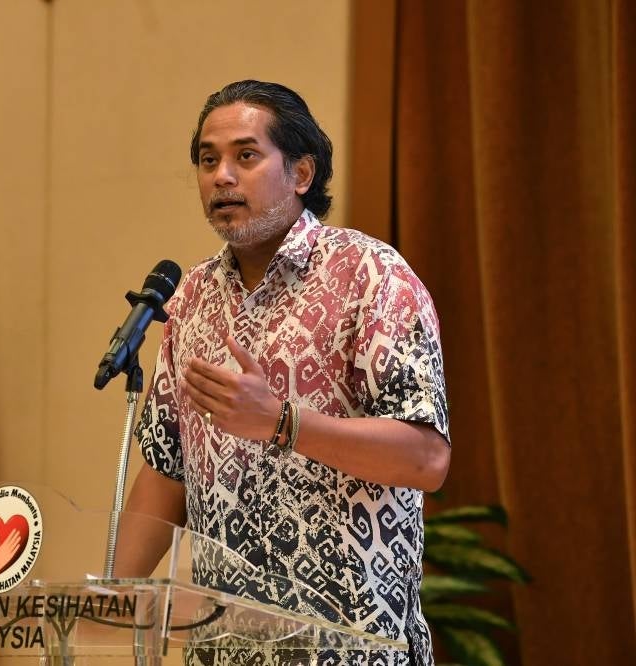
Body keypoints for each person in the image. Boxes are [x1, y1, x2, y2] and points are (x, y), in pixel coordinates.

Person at [115, 80, 451, 666]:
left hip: (350, 651)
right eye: (208, 160)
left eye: (246, 156)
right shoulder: (191, 298)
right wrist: (104, 597)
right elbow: (168, 470)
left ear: (301, 173)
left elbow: (426, 459)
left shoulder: (370, 275)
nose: (222, 176)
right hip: (222, 651)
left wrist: (282, 423)